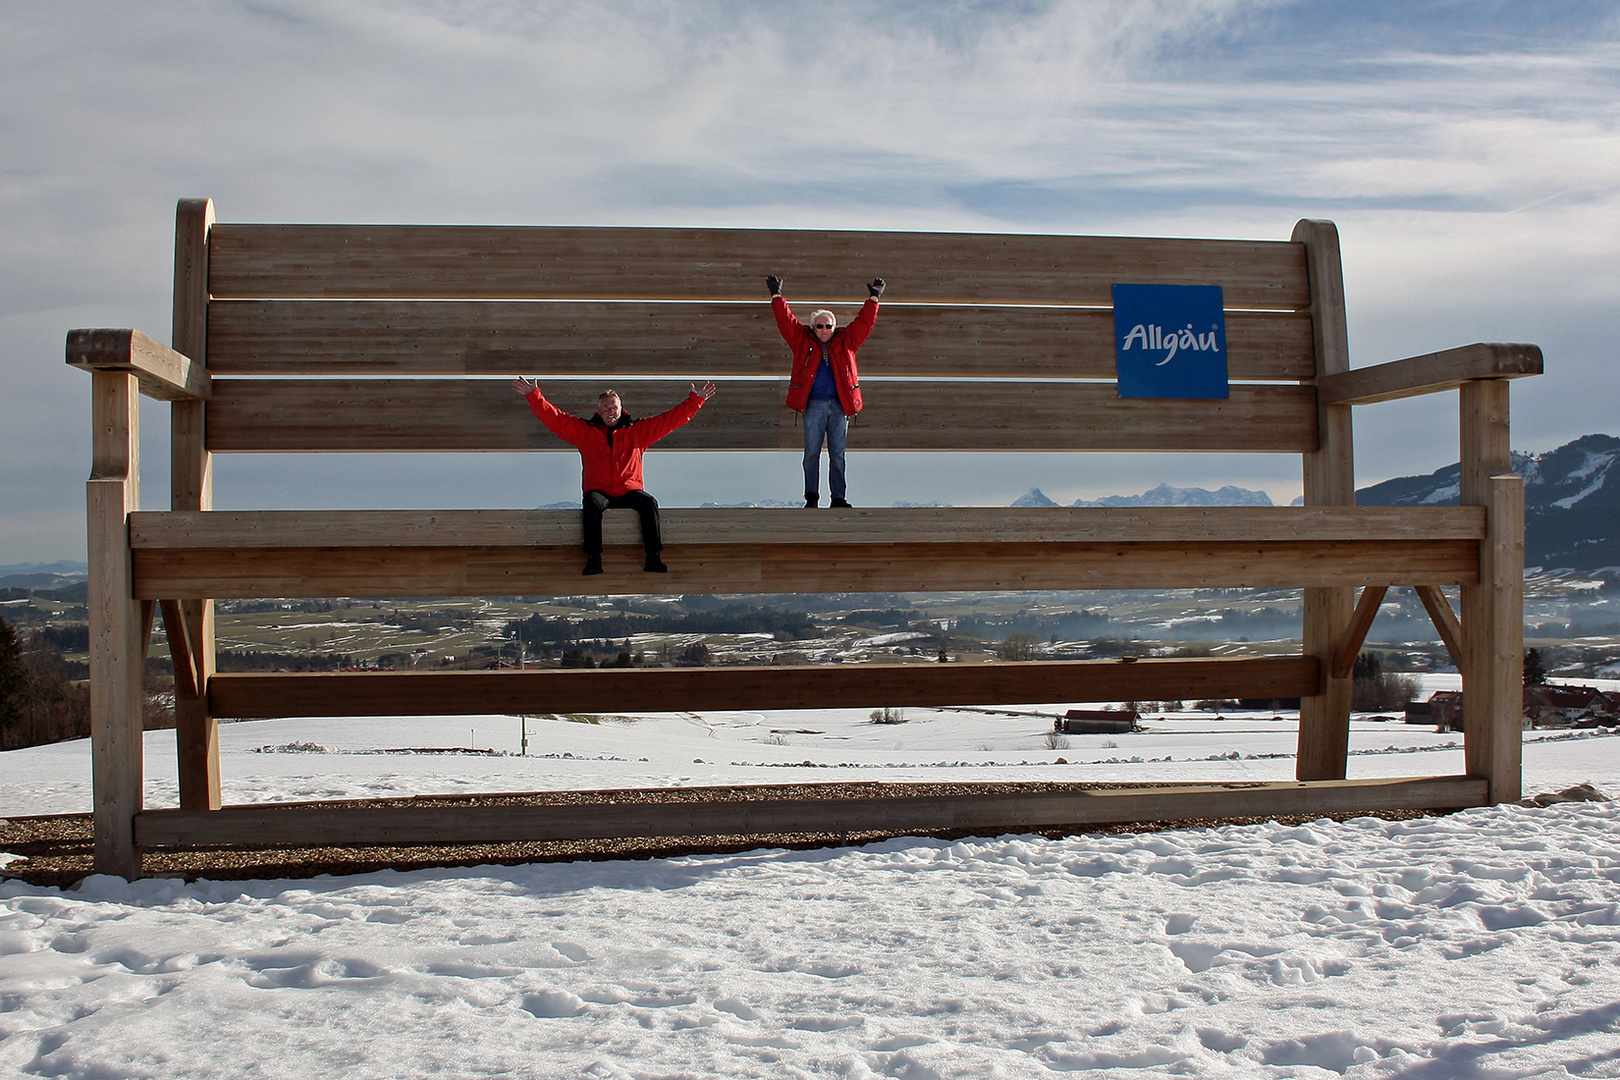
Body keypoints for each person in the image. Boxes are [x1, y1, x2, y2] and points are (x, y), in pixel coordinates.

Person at [512, 379, 716, 574]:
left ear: (621, 409)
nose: (612, 411)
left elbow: (670, 420)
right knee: (591, 504)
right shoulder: (585, 431)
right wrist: (533, 395)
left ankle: (653, 557)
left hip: (629, 490)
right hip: (599, 491)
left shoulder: (638, 431)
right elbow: (556, 419)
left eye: (615, 407)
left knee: (649, 503)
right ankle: (593, 559)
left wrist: (696, 400)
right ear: (599, 411)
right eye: (607, 408)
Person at [767, 274, 884, 508]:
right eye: (819, 325)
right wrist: (776, 296)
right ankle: (811, 497)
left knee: (838, 455)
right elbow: (786, 322)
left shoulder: (847, 342)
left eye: (828, 325)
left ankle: (838, 498)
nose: (823, 329)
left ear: (834, 326)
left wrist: (874, 298)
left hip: (840, 407)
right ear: (812, 327)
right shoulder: (801, 342)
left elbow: (864, 324)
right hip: (813, 406)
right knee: (811, 454)